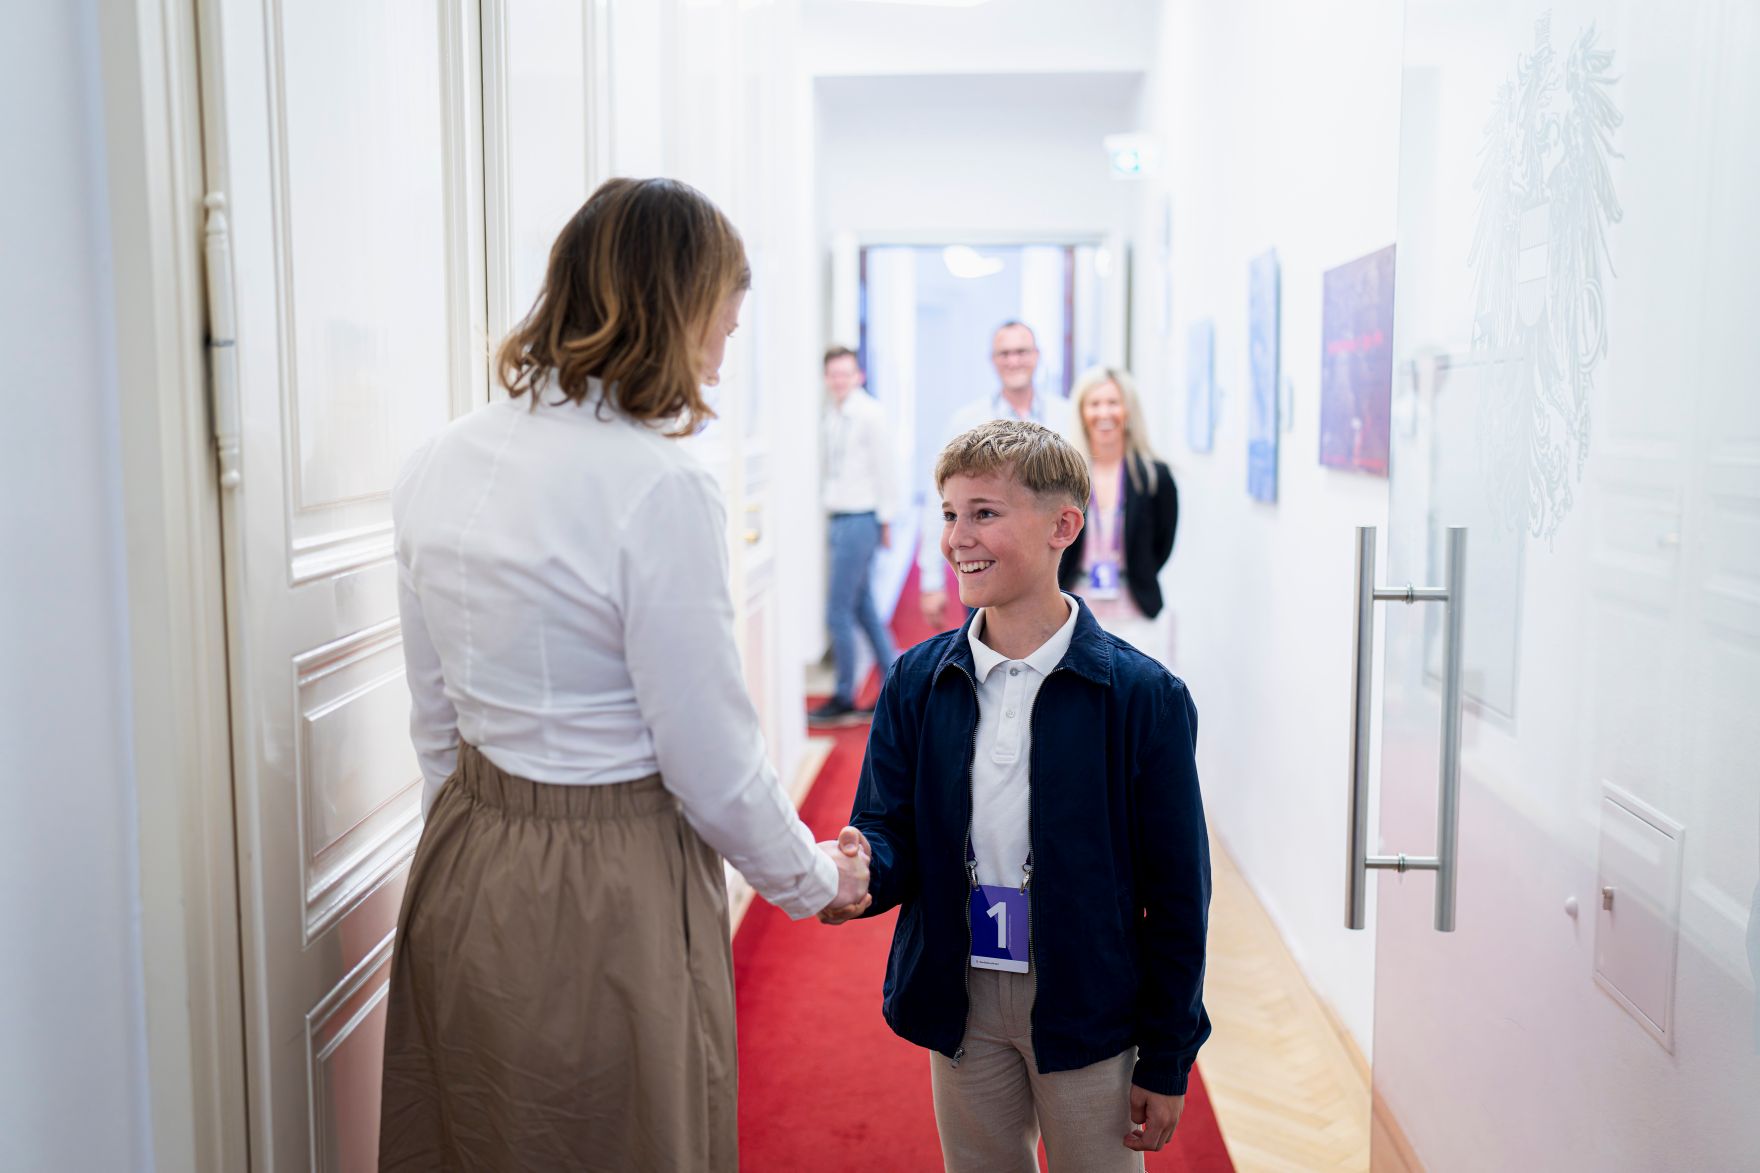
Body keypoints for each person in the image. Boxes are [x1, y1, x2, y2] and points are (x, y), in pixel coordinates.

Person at [378, 177, 871, 1172]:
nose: (722, 363)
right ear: (676, 311)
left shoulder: (437, 460)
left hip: (465, 857)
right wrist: (815, 880)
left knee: (476, 1132)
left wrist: (475, 832)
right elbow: (712, 762)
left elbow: (433, 720)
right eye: (723, 329)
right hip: (610, 876)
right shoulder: (659, 485)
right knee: (620, 1137)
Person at [826, 419, 1212, 1171]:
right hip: (959, 983)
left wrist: (1167, 1052)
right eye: (948, 513)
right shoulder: (916, 679)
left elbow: (1179, 893)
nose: (956, 537)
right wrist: (863, 868)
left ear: (1063, 525)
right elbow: (888, 826)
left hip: (1086, 993)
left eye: (985, 513)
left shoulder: (1144, 697)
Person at [916, 320, 1074, 628]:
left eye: (1021, 351)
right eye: (1004, 353)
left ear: (1037, 356)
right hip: (987, 567)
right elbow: (940, 500)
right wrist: (931, 580)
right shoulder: (967, 422)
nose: (1013, 360)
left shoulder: (1066, 417)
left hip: (1057, 571)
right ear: (993, 360)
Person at [1060, 366, 1179, 659]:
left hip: (1135, 614)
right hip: (1073, 613)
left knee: (1137, 702)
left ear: (1128, 411)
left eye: (1113, 403)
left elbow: (1162, 546)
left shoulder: (1154, 477)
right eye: (1095, 404)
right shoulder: (1062, 477)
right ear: (1082, 412)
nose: (1104, 413)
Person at [811, 345, 898, 727]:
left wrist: (885, 521)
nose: (839, 380)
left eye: (846, 373)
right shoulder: (833, 414)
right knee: (862, 607)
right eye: (833, 374)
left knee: (838, 610)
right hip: (840, 518)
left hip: (860, 519)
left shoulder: (869, 415)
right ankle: (895, 681)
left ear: (858, 375)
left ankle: (845, 694)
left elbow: (885, 469)